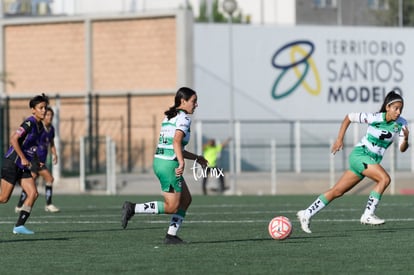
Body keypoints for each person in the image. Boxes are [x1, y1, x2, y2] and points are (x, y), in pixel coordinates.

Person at [297, 91, 409, 234]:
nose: (399, 112)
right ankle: (368, 214)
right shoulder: (375, 117)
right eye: (396, 108)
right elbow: (349, 117)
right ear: (388, 107)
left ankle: (306, 214)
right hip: (360, 155)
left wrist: (405, 139)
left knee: (337, 191)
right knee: (384, 179)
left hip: (369, 160)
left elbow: (402, 149)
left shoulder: (401, 123)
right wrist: (339, 139)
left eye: (401, 109)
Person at [121, 87, 208, 244]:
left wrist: (196, 158)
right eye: (193, 101)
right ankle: (133, 208)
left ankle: (171, 236)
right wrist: (181, 162)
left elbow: (175, 146)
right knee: (172, 207)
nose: (196, 105)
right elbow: (176, 142)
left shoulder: (170, 117)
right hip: (169, 165)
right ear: (183, 101)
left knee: (186, 200)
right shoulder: (184, 119)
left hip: (162, 161)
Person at [0, 93, 49, 234]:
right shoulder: (29, 122)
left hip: (23, 166)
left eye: (45, 108)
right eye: (40, 108)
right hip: (12, 162)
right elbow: (13, 139)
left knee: (33, 193)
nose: (44, 110)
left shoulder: (40, 127)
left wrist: (37, 161)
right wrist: (22, 157)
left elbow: (30, 148)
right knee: (3, 199)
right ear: (33, 110)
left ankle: (19, 226)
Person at [15, 106, 60, 213]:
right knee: (49, 179)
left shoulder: (51, 129)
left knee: (31, 182)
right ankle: (48, 204)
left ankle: (19, 205)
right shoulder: (39, 128)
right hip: (35, 159)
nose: (49, 117)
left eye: (51, 115)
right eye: (47, 115)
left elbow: (51, 142)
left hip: (41, 160)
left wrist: (55, 154)